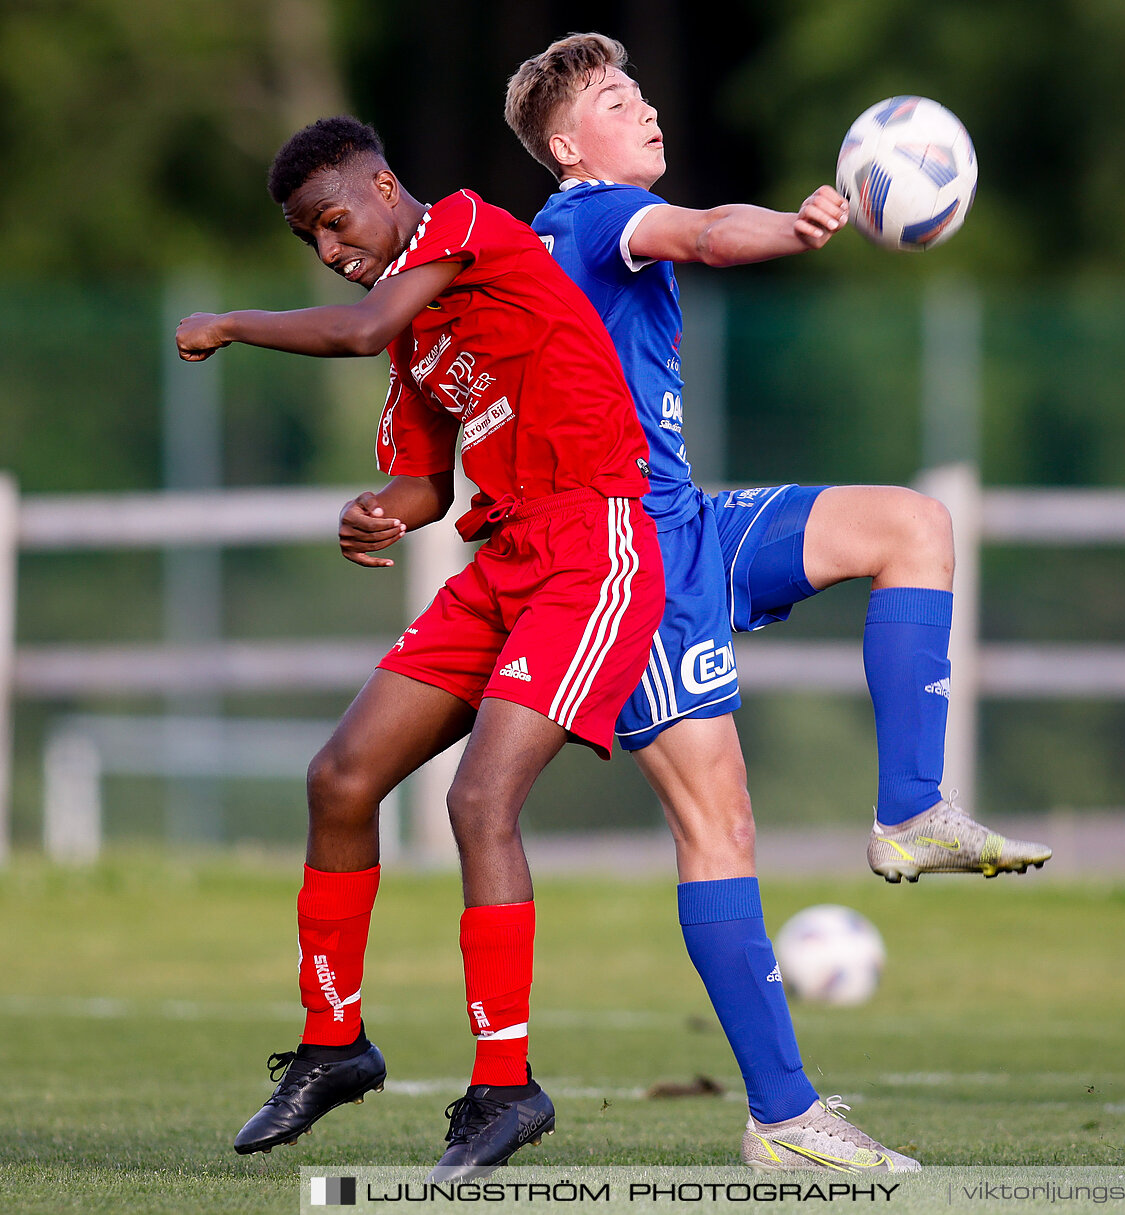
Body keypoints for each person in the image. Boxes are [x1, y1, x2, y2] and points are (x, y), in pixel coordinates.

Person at [500, 33, 1042, 1169]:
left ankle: (909, 812)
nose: (644, 106)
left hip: (688, 518)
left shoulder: (596, 227)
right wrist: (790, 231)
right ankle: (786, 1119)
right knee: (720, 824)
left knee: (914, 526)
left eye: (642, 86)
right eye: (614, 97)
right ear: (566, 144)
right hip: (633, 565)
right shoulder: (588, 217)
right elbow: (699, 232)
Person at [174, 116, 665, 1177]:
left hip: (592, 544)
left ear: (387, 187)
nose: (328, 247)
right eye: (308, 235)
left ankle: (506, 1087)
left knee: (477, 803)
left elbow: (355, 328)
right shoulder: (415, 334)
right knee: (341, 778)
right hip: (501, 561)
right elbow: (427, 485)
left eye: (334, 219)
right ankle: (334, 1045)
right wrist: (377, 514)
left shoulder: (466, 225)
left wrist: (232, 321)